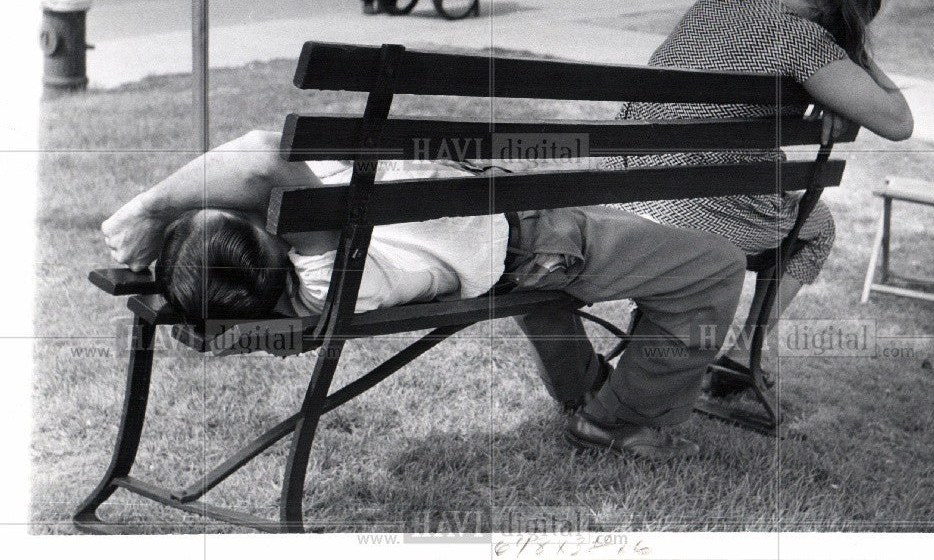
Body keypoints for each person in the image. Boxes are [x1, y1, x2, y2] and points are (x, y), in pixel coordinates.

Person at [101, 130, 747, 463]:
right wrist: (155, 208)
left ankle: (586, 393)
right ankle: (615, 418)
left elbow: (250, 208)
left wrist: (195, 299)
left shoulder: (299, 286)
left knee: (551, 284)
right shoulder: (323, 266)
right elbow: (261, 159)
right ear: (262, 232)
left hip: (510, 237)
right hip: (531, 240)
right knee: (714, 267)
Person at [603, 0, 913, 393]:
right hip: (698, 213)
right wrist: (852, 51)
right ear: (842, 15)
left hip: (622, 185)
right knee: (818, 228)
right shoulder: (808, 44)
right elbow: (900, 122)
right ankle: (742, 352)